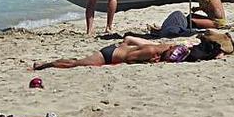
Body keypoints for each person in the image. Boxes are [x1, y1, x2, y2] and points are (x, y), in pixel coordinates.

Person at [32, 36, 188, 69]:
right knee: (75, 64)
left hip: (114, 52)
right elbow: (129, 58)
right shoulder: (151, 51)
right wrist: (146, 61)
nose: (168, 60)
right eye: (170, 58)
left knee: (79, 61)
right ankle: (46, 65)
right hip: (109, 55)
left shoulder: (165, 46)